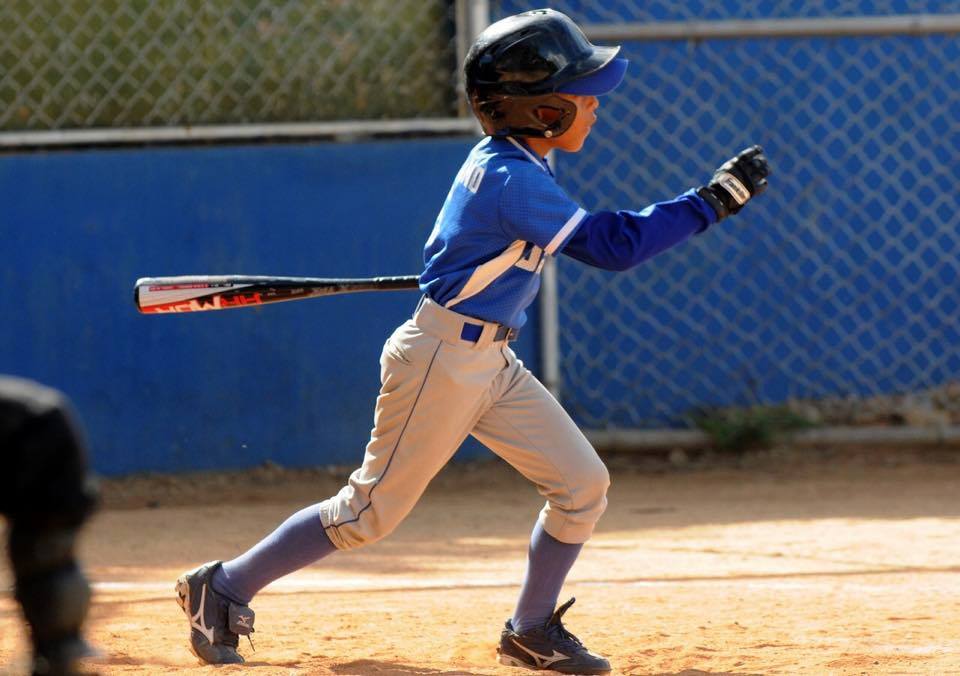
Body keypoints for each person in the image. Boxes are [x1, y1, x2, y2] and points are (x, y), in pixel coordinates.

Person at [175, 8, 770, 674]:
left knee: (582, 487)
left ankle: (531, 628)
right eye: (580, 95)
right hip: (444, 361)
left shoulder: (516, 164)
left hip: (488, 358)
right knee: (365, 514)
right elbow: (615, 247)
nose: (595, 106)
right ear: (539, 110)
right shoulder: (514, 180)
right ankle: (223, 587)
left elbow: (484, 251)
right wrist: (710, 202)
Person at [1, 376, 99, 676]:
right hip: (44, 423)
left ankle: (59, 654)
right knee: (44, 556)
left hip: (37, 437)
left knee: (44, 557)